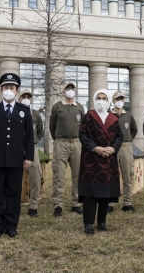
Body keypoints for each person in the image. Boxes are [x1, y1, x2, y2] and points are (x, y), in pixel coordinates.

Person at [0, 73, 34, 238]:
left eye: (11, 87)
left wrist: (28, 157)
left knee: (13, 193)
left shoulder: (24, 111)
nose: (8, 90)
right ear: (1, 90)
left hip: (16, 159)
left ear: (16, 91)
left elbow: (29, 136)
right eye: (6, 87)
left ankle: (11, 225)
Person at [78, 89, 124, 234]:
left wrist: (113, 148)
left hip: (108, 160)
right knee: (90, 193)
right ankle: (89, 223)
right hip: (90, 160)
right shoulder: (88, 117)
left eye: (104, 98)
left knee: (105, 192)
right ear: (94, 100)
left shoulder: (114, 118)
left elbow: (120, 136)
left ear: (108, 100)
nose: (101, 100)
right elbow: (82, 135)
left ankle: (102, 222)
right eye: (98, 98)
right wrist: (95, 148)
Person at [49, 81, 85, 217]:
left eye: (72, 88)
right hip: (61, 143)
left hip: (76, 144)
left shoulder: (80, 107)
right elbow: (52, 126)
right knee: (58, 175)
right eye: (67, 88)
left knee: (77, 175)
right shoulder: (57, 107)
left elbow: (83, 127)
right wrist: (59, 139)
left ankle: (76, 203)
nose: (70, 90)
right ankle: (57, 205)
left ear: (75, 92)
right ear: (63, 91)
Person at [110, 90, 138, 212]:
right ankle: (109, 203)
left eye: (121, 99)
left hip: (126, 146)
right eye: (117, 99)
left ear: (124, 100)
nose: (119, 101)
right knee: (111, 175)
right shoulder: (108, 115)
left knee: (128, 174)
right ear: (113, 101)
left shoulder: (129, 115)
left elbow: (134, 129)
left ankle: (127, 203)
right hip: (112, 148)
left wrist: (128, 140)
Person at [19, 89, 44, 217]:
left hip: (31, 148)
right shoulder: (15, 113)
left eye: (29, 97)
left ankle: (33, 207)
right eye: (24, 96)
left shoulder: (35, 114)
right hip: (16, 148)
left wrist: (34, 142)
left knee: (36, 177)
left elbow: (40, 131)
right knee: (14, 178)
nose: (26, 98)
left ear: (32, 99)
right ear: (19, 98)